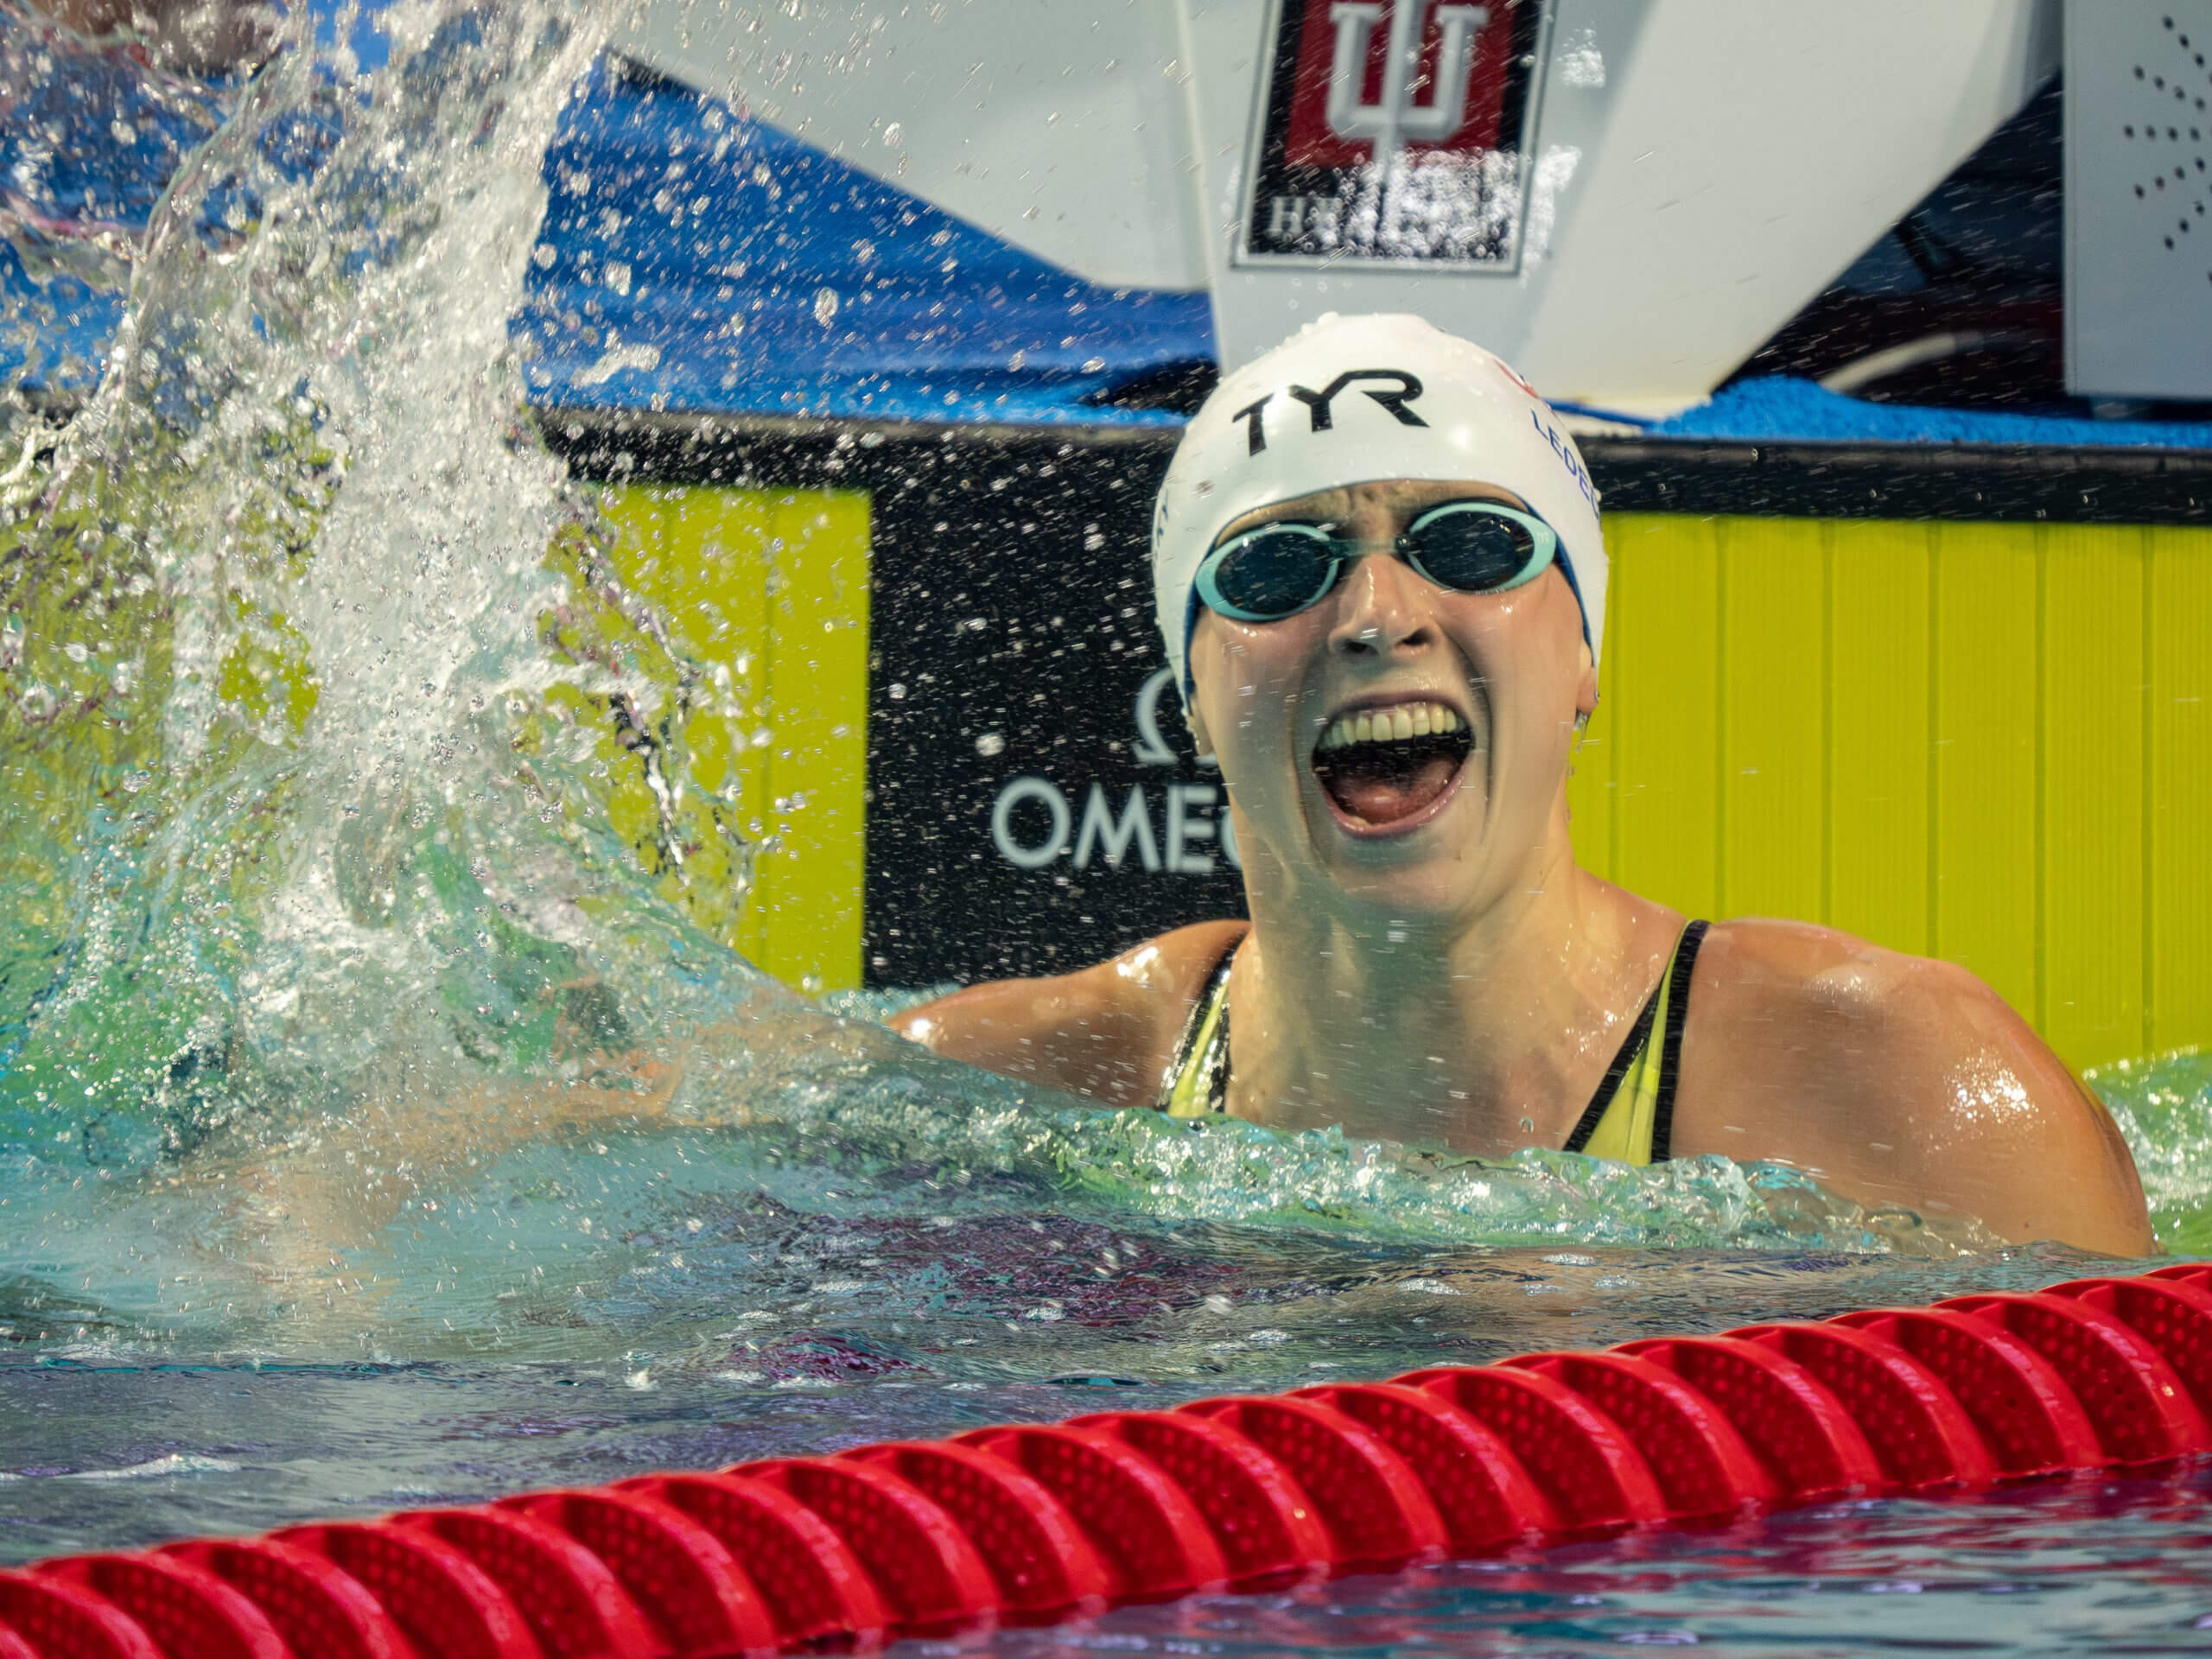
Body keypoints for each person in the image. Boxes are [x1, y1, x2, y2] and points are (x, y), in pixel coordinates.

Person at [893, 312, 2153, 1256]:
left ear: (1583, 656)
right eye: (1277, 569)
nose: (1378, 614)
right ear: (1195, 700)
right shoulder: (1012, 1093)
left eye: (1473, 544)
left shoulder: (1908, 1097)